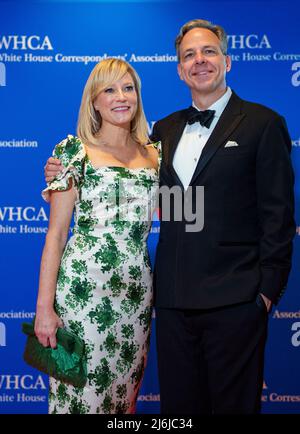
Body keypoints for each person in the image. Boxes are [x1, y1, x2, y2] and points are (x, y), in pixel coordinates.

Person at [45, 20, 295, 414]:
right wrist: (60, 172)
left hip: (228, 301)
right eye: (189, 56)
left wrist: (264, 295)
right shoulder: (164, 132)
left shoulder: (262, 125)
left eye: (208, 52)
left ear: (226, 61)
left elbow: (279, 218)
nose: (199, 61)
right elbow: (73, 219)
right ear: (179, 69)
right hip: (159, 302)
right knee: (162, 410)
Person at [36, 57, 159, 414]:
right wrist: (45, 308)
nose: (121, 97)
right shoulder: (73, 151)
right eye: (109, 89)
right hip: (81, 295)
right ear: (94, 100)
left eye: (128, 87)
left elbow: (184, 208)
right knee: (79, 398)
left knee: (124, 399)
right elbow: (56, 235)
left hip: (135, 296)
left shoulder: (155, 153)